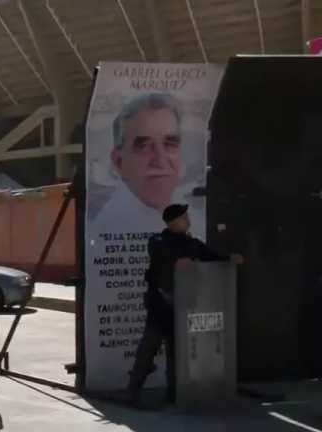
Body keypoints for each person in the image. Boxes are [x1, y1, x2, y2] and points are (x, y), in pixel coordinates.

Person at [125, 204, 244, 407]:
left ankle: (174, 393)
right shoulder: (158, 241)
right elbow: (167, 256)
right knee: (148, 348)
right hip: (160, 306)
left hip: (181, 307)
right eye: (184, 217)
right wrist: (183, 259)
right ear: (173, 222)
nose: (188, 220)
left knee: (177, 353)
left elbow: (209, 254)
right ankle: (132, 393)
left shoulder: (191, 242)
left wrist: (229, 258)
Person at [92, 93, 205, 237]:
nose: (161, 160)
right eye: (144, 146)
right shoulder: (108, 228)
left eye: (170, 144)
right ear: (119, 161)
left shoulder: (196, 220)